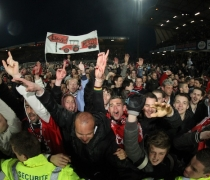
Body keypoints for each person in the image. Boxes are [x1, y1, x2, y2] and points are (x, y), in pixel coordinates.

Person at [13, 50, 136, 179]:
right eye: (79, 134)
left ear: (95, 126)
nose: (84, 138)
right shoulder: (69, 120)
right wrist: (39, 89)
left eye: (88, 134)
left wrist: (98, 78)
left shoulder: (103, 126)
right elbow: (53, 107)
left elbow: (94, 100)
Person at [124, 94, 181, 179]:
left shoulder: (162, 121)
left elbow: (176, 125)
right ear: (141, 106)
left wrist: (170, 113)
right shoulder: (136, 120)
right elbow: (130, 144)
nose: (150, 109)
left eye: (153, 106)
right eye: (147, 105)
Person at [0, 131, 80, 180]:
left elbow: (2, 164)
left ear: (24, 157)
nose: (15, 156)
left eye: (16, 154)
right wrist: (48, 157)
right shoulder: (62, 171)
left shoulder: (12, 166)